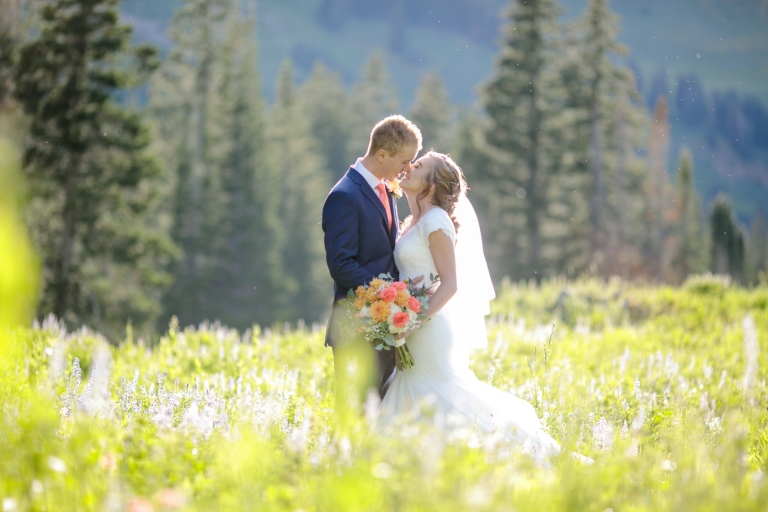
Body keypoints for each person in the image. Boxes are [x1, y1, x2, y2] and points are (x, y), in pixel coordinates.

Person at [380, 151, 586, 465]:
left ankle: (511, 456)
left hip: (427, 327)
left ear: (432, 184)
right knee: (416, 395)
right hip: (410, 324)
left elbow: (450, 285)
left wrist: (412, 320)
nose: (409, 167)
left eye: (418, 165)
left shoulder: (435, 221)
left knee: (436, 395)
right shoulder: (412, 221)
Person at [321, 115, 422, 421]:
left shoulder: (384, 188)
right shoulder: (344, 196)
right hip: (356, 328)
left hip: (384, 326)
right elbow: (341, 264)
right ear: (382, 154)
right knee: (353, 415)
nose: (408, 169)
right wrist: (389, 294)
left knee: (378, 414)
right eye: (405, 161)